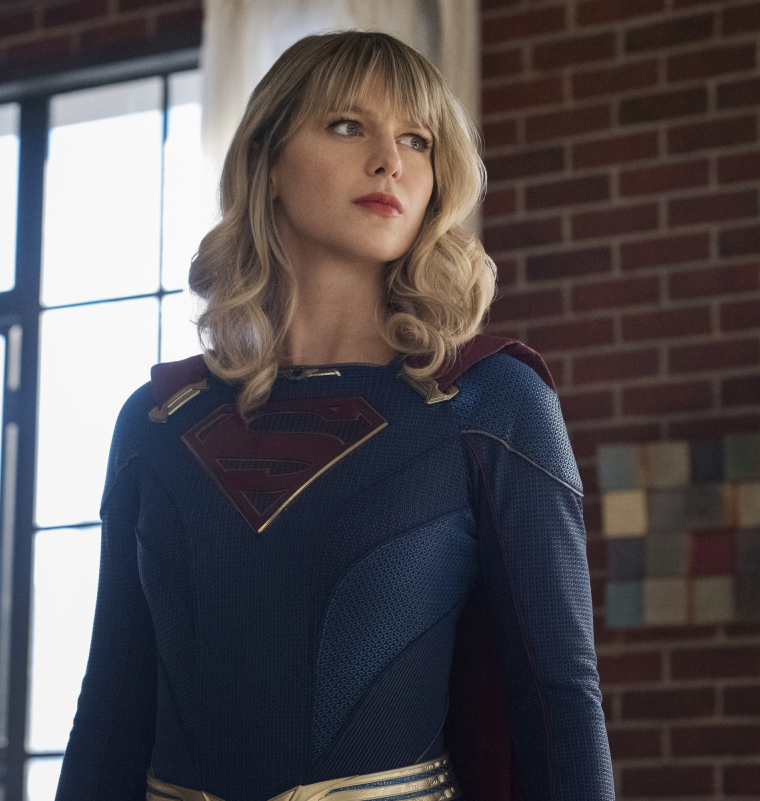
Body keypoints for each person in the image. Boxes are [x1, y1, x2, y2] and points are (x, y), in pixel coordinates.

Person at [55, 30, 613, 801]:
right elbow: (109, 715)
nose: (390, 160)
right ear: (268, 162)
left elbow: (562, 708)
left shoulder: (490, 401)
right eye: (348, 126)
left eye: (416, 140)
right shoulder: (156, 422)